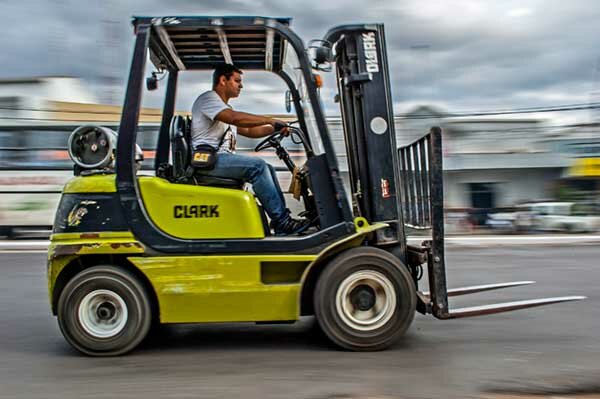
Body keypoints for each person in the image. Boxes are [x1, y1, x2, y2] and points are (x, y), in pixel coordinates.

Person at [191, 64, 310, 236]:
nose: (241, 86)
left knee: (266, 168)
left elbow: (249, 131)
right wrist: (270, 119)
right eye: (237, 81)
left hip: (219, 159)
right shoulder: (209, 100)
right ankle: (283, 221)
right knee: (258, 166)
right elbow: (236, 119)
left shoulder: (222, 108)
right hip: (208, 161)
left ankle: (281, 222)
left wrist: (274, 128)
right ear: (223, 80)